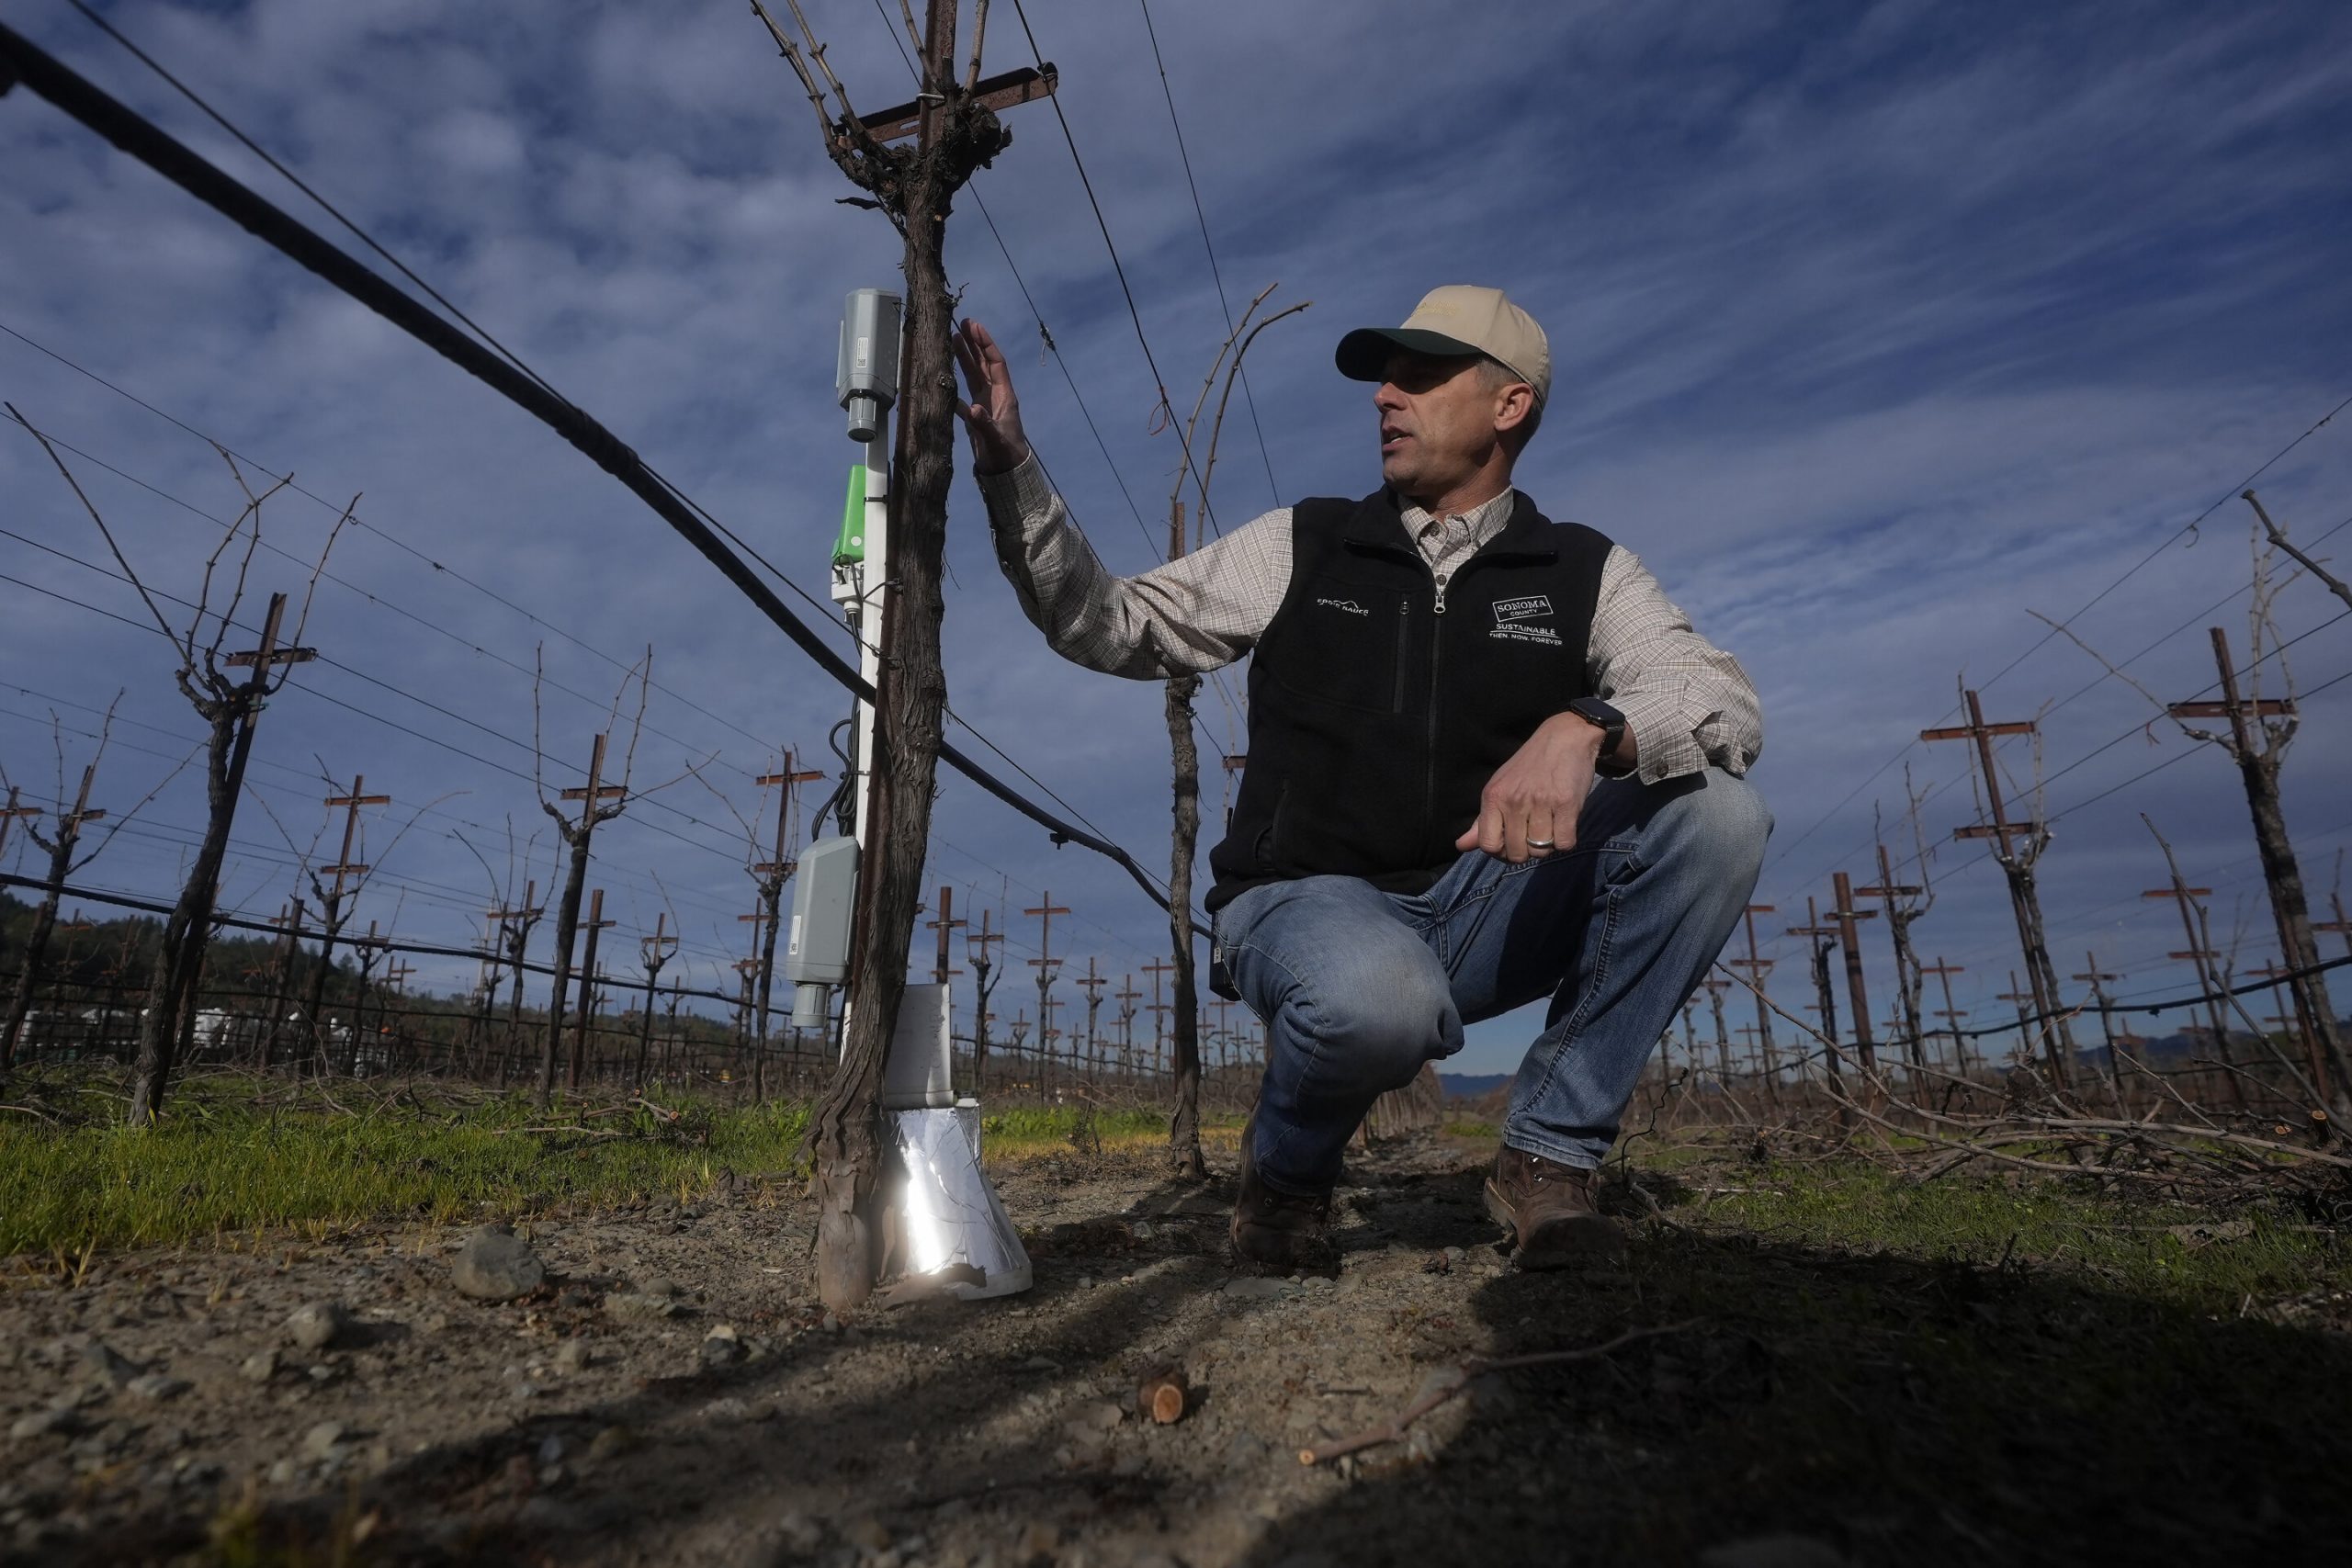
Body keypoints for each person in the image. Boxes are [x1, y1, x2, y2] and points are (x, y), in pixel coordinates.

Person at [955, 285, 1768, 1269]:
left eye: (1421, 375)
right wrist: (1012, 474)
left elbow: (1718, 696)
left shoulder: (1584, 571)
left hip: (1479, 905)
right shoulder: (1304, 542)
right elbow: (1113, 622)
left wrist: (1591, 723)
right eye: (1384, 377)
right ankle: (1287, 1177)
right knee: (1376, 1002)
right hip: (1303, 902)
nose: (1386, 395)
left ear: (1509, 407)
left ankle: (1547, 1158)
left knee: (1716, 817)